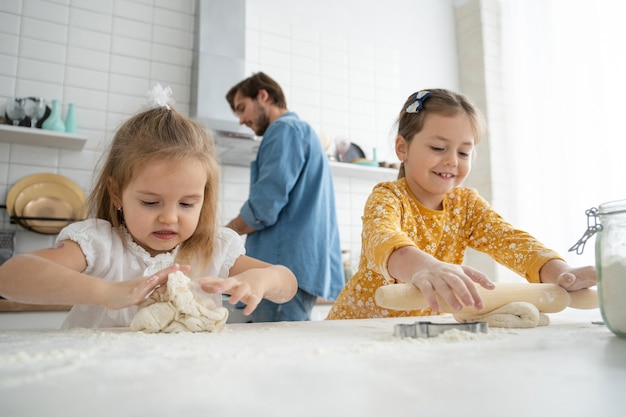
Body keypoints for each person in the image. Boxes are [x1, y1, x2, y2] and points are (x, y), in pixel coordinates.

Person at [0, 85, 297, 329]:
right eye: (150, 202)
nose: (169, 216)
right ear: (116, 193)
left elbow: (288, 282)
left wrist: (261, 280)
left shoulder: (214, 248)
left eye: (187, 203)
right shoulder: (101, 244)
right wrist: (107, 292)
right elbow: (10, 276)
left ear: (203, 199)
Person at [327, 88, 596, 320]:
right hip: (355, 328)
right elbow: (382, 238)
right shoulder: (388, 197)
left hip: (415, 333)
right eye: (438, 148)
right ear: (402, 148)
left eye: (464, 152)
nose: (452, 161)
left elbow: (512, 242)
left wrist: (560, 273)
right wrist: (426, 267)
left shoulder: (466, 205)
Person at [225, 72, 344, 322]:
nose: (241, 119)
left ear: (263, 95)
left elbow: (262, 209)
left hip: (284, 266)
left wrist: (221, 236)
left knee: (277, 351)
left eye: (242, 108)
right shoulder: (301, 132)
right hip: (297, 266)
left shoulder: (284, 131)